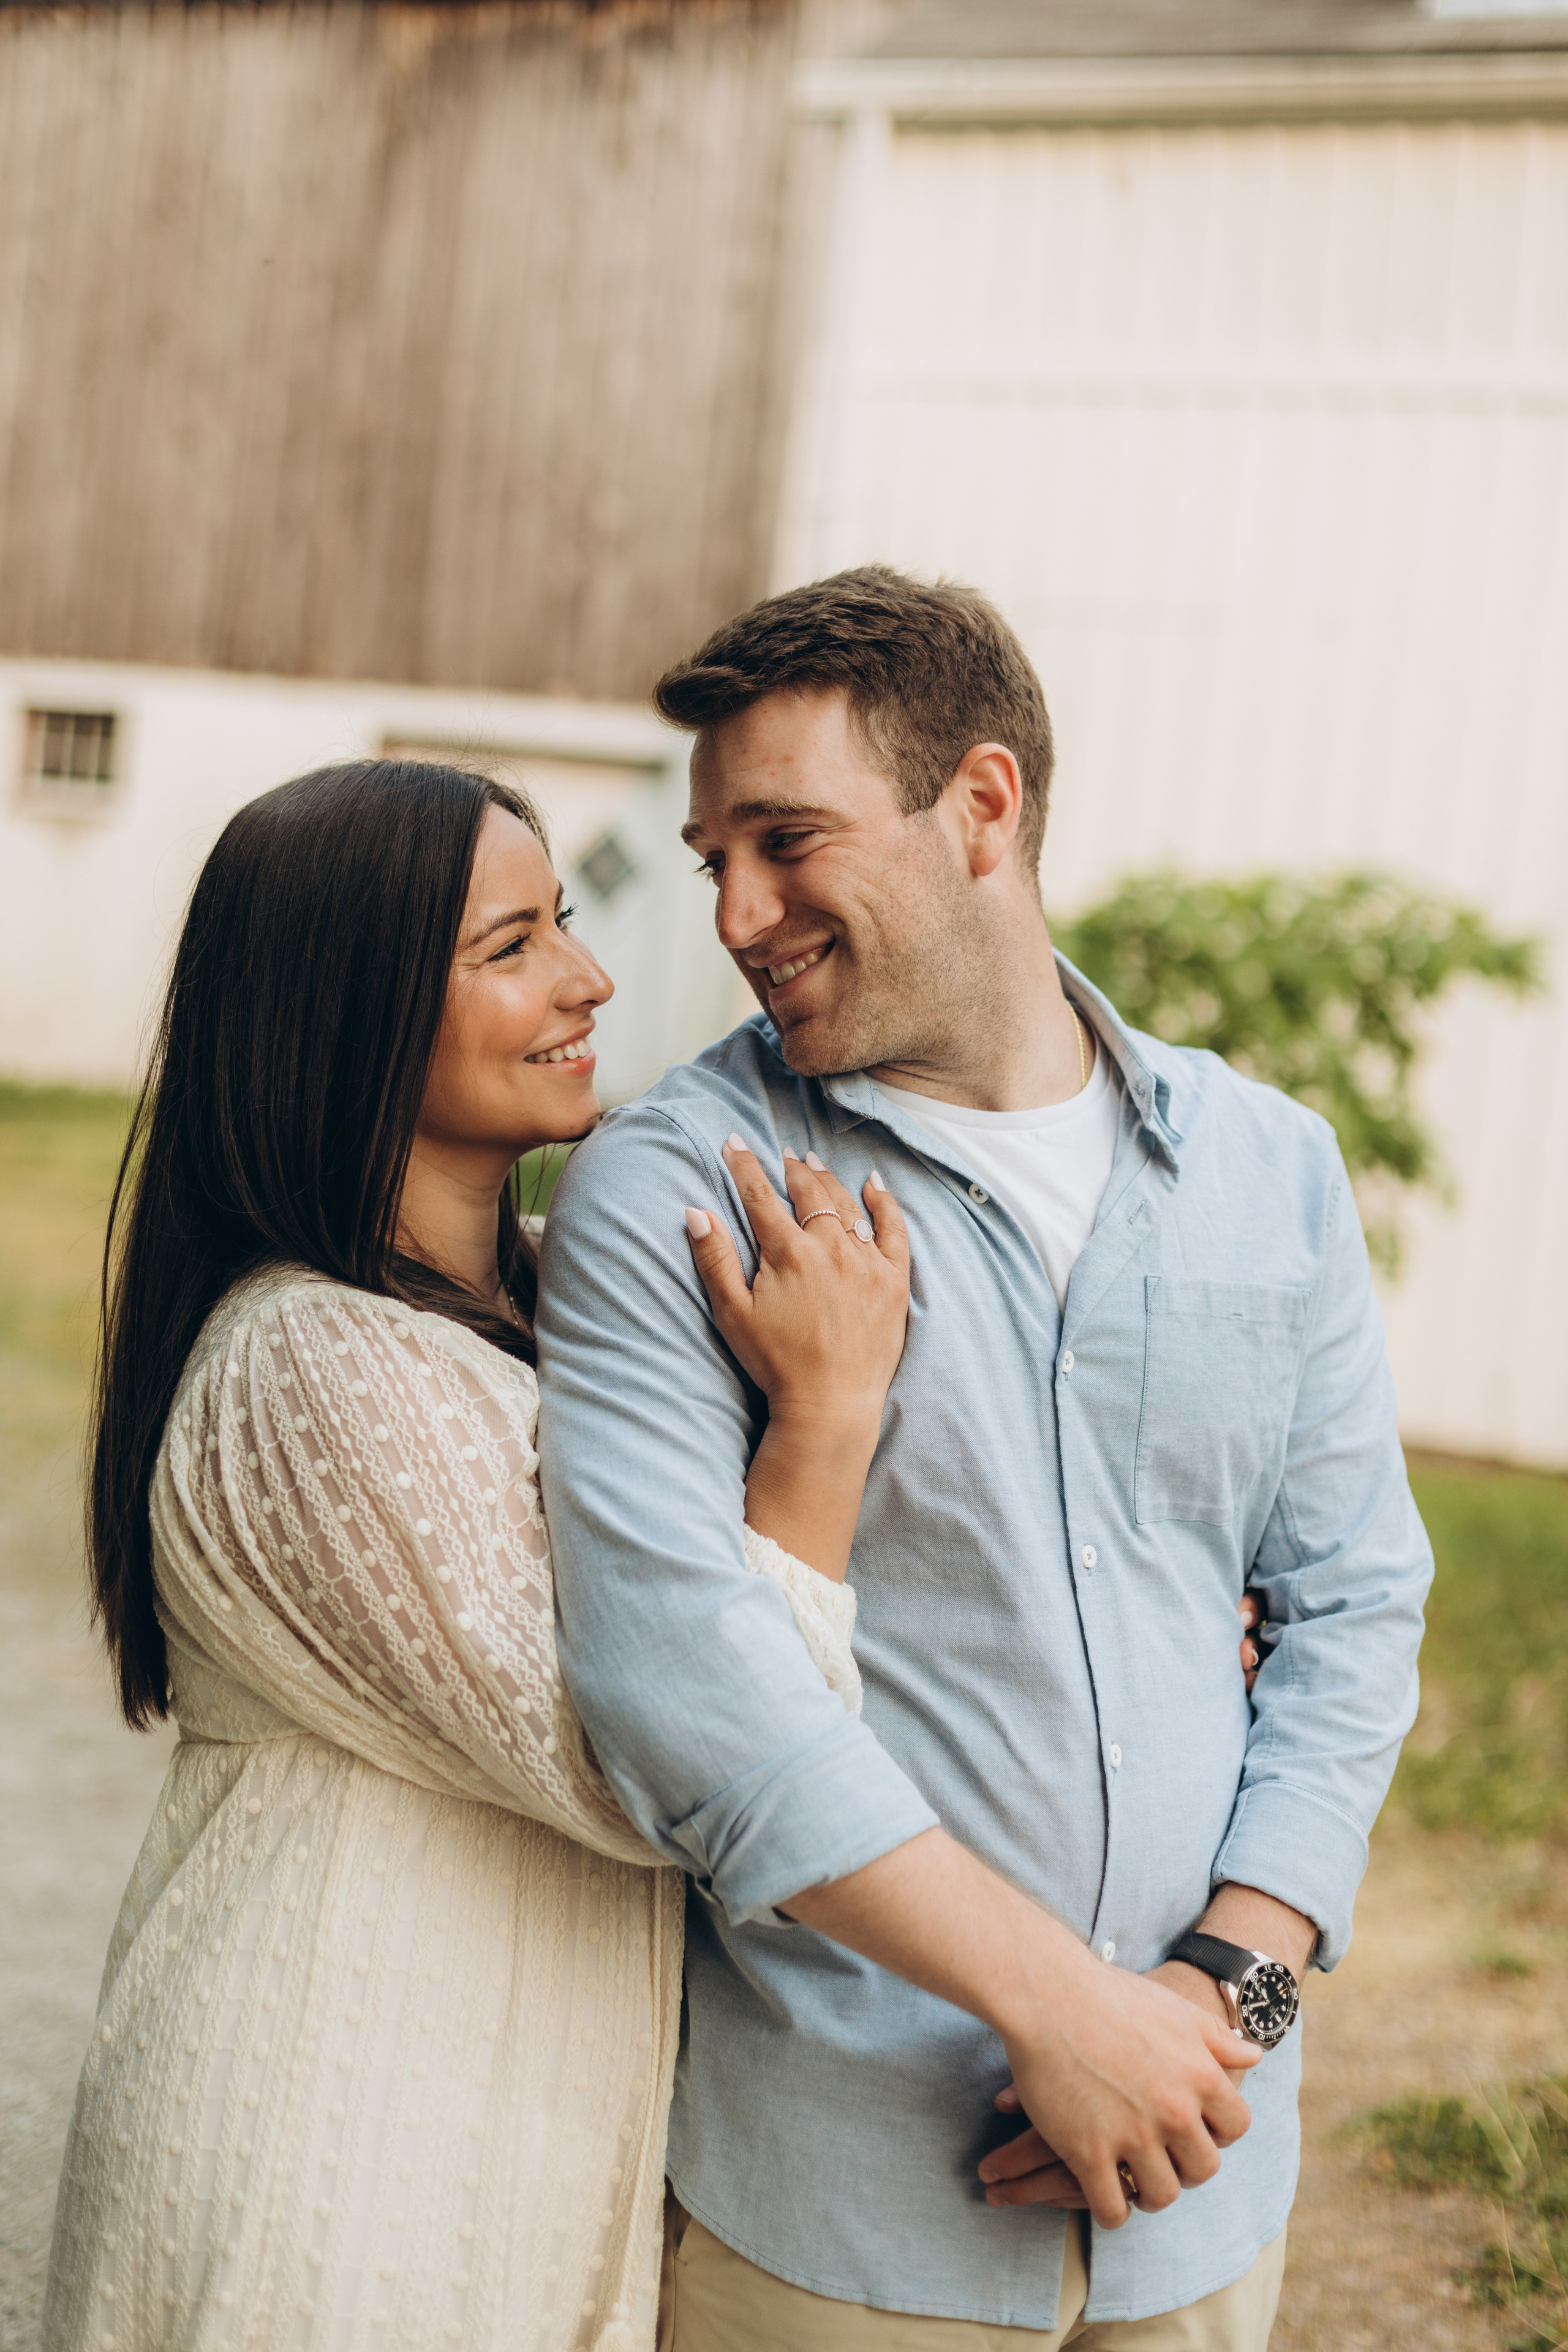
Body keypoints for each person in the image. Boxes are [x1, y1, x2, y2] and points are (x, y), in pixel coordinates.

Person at [534, 567, 1434, 2350]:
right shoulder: (676, 1187)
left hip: (1205, 2182)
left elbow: (1355, 1605)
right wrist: (1065, 2010)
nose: (739, 913)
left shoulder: (1270, 1169)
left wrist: (1226, 1995)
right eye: (715, 860)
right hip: (842, 2212)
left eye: (787, 840)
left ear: (983, 806)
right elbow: (679, 1679)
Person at [42, 759, 914, 2352]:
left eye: (563, 922)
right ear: (348, 1010)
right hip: (329, 2162)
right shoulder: (310, 1368)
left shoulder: (565, 1307)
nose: (590, 979)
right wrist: (823, 1424)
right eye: (512, 947)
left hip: (502, 2146)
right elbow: (678, 1767)